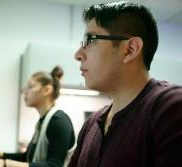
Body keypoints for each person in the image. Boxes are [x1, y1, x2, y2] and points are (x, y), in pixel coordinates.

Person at [68, 1, 182, 167]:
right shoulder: (91, 124)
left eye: (89, 40)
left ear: (130, 50)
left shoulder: (171, 108)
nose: (78, 54)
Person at [0, 66, 75, 167]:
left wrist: (3, 164)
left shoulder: (59, 122)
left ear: (47, 90)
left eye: (30, 87)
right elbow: (27, 157)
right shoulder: (43, 121)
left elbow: (54, 165)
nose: (24, 91)